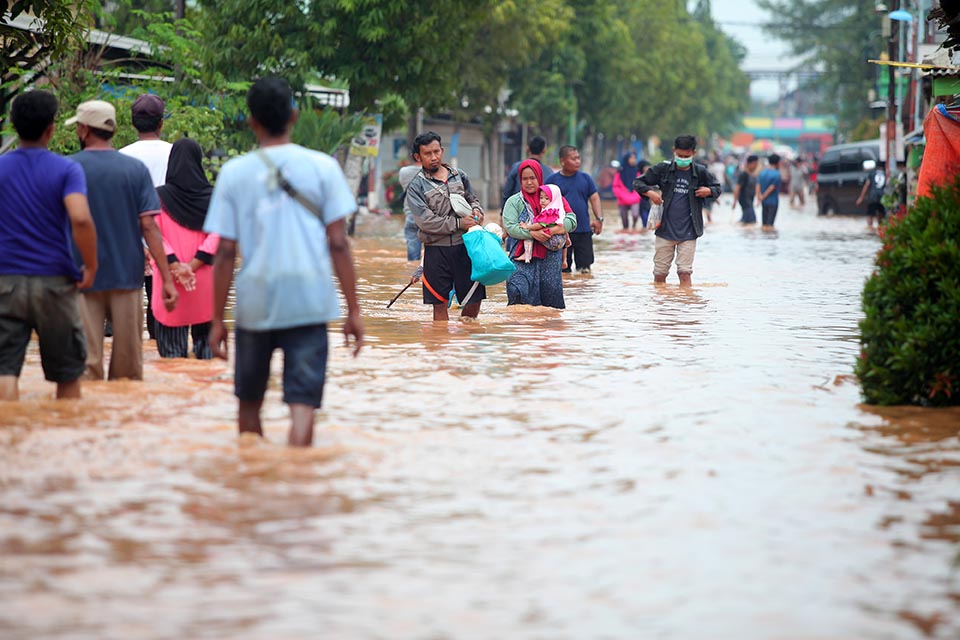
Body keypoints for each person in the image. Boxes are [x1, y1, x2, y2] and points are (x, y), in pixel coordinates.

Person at [205, 76, 364, 447]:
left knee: (249, 403)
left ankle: (256, 473)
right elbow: (338, 244)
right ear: (294, 116)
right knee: (303, 405)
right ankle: (297, 472)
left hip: (255, 301)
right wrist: (354, 310)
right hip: (309, 299)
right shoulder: (323, 167)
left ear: (251, 121)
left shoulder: (233, 173)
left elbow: (225, 251)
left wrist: (215, 319)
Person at [67, 99, 178, 381]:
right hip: (127, 276)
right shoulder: (134, 170)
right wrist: (166, 278)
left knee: (86, 368)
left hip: (82, 275)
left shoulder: (69, 168)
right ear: (113, 130)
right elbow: (149, 226)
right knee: (128, 372)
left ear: (83, 129)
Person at [0, 90, 98, 401]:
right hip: (55, 281)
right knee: (68, 372)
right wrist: (91, 266)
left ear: (14, 126)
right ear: (51, 129)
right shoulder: (66, 170)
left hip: (5, 280)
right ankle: (65, 428)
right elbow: (80, 218)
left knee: (4, 369)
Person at [405, 131, 486, 321]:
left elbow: (473, 200)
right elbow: (425, 221)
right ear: (417, 157)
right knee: (439, 305)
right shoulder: (416, 187)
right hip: (436, 251)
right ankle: (442, 339)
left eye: (436, 152)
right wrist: (459, 223)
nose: (434, 157)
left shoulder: (460, 176)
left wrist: (477, 212)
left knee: (474, 301)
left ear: (442, 150)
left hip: (466, 246)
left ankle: (465, 335)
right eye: (427, 154)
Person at [152, 138, 219, 359]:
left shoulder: (157, 197)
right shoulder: (215, 197)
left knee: (171, 360)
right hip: (205, 281)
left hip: (170, 281)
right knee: (207, 359)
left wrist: (176, 266)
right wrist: (192, 266)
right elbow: (219, 236)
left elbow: (153, 235)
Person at [633, 134, 721, 287]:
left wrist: (709, 191)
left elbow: (718, 188)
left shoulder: (700, 172)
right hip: (664, 230)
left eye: (686, 156)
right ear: (674, 151)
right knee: (660, 274)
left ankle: (685, 299)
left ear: (693, 153)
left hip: (689, 231)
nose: (682, 159)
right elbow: (638, 182)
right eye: (680, 155)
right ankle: (662, 300)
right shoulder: (663, 169)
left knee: (685, 272)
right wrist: (650, 193)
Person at [121, 94, 172, 340]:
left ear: (133, 123)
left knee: (123, 316)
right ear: (161, 123)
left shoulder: (121, 156)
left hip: (129, 241)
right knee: (159, 315)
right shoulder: (174, 153)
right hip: (164, 242)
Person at [502, 160, 577, 308]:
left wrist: (553, 230)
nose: (529, 182)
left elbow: (572, 220)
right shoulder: (514, 202)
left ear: (539, 177)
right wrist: (533, 234)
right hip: (522, 257)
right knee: (517, 290)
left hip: (550, 259)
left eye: (533, 178)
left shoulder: (552, 198)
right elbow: (510, 227)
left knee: (550, 304)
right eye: (525, 179)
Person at [546, 145, 604, 274]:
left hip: (584, 230)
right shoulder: (552, 181)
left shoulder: (586, 178)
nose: (577, 161)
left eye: (578, 158)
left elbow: (595, 198)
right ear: (562, 161)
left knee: (585, 270)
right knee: (562, 270)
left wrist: (599, 219)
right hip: (561, 232)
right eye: (573, 159)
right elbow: (544, 204)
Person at [518, 184, 569, 263]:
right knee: (562, 227)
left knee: (531, 233)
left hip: (552, 240)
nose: (542, 201)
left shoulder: (549, 212)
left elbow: (540, 225)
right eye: (541, 198)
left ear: (554, 199)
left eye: (547, 198)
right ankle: (564, 258)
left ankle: (527, 255)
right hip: (561, 240)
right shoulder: (559, 210)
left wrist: (528, 227)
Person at [501, 135, 552, 209]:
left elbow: (507, 191)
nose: (529, 182)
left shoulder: (516, 167)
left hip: (517, 209)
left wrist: (503, 210)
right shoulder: (548, 172)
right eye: (525, 178)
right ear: (544, 150)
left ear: (527, 148)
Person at [398, 159, 422, 262]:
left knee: (413, 258)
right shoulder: (434, 171)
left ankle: (412, 269)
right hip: (431, 216)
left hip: (411, 214)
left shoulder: (404, 171)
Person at [612, 151, 642, 231]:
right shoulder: (620, 172)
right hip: (622, 199)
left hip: (635, 197)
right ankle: (626, 233)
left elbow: (640, 185)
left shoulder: (637, 171)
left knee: (635, 215)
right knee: (624, 219)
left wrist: (637, 196)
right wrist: (621, 195)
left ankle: (634, 227)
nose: (633, 160)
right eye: (631, 158)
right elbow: (615, 186)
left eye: (634, 158)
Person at [855, 159, 886, 229]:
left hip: (873, 196)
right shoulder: (885, 174)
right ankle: (880, 228)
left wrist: (861, 197)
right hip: (882, 196)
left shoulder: (872, 173)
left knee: (870, 214)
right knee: (881, 214)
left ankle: (870, 227)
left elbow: (867, 185)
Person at [757, 154, 783, 230]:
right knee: (770, 225)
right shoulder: (777, 174)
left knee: (764, 224)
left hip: (764, 202)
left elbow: (758, 185)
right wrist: (762, 197)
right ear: (778, 163)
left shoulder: (763, 172)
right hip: (773, 202)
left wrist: (759, 198)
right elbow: (771, 188)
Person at [732, 155, 759, 224]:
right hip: (744, 200)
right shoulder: (744, 175)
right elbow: (737, 188)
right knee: (752, 220)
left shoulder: (753, 175)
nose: (756, 166)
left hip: (750, 200)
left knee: (746, 219)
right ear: (749, 164)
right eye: (755, 164)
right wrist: (734, 201)